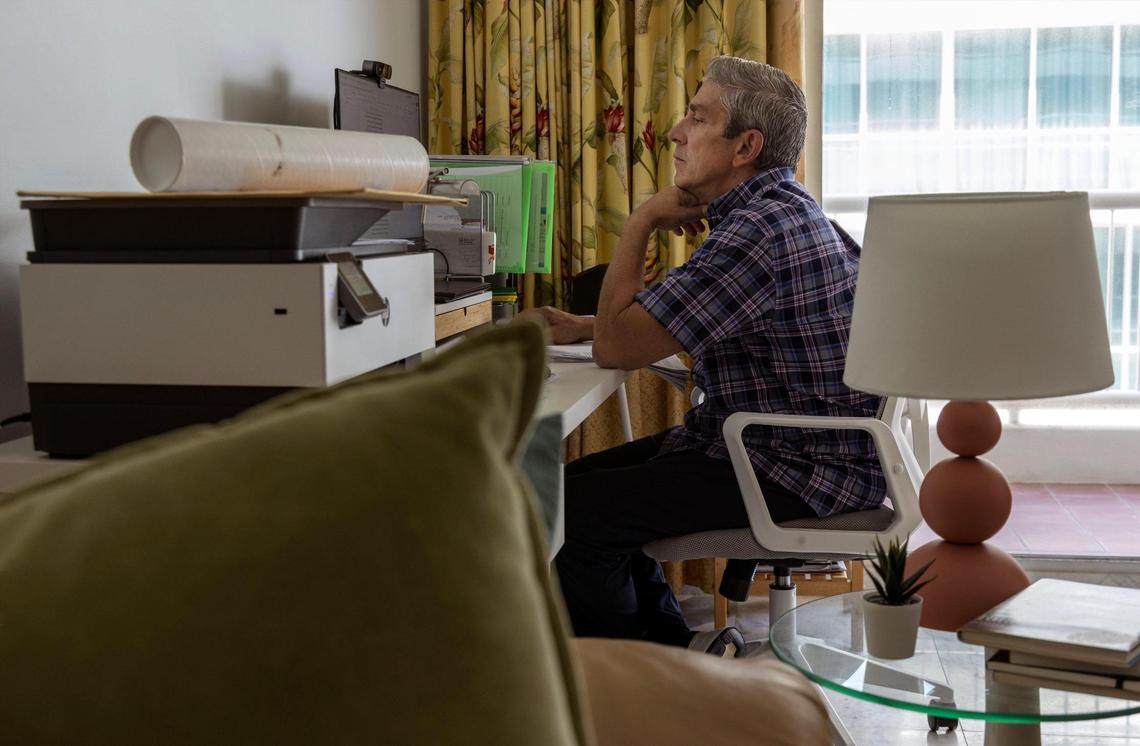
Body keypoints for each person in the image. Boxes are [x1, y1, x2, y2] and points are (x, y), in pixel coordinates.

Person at [524, 56, 885, 657]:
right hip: (794, 447)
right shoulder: (782, 209)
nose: (675, 132)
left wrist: (643, 218)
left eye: (697, 117)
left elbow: (616, 349)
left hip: (791, 464)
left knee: (571, 518)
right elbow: (702, 316)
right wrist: (586, 323)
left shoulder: (756, 232)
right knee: (557, 494)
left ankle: (640, 680)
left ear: (745, 146)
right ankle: (672, 651)